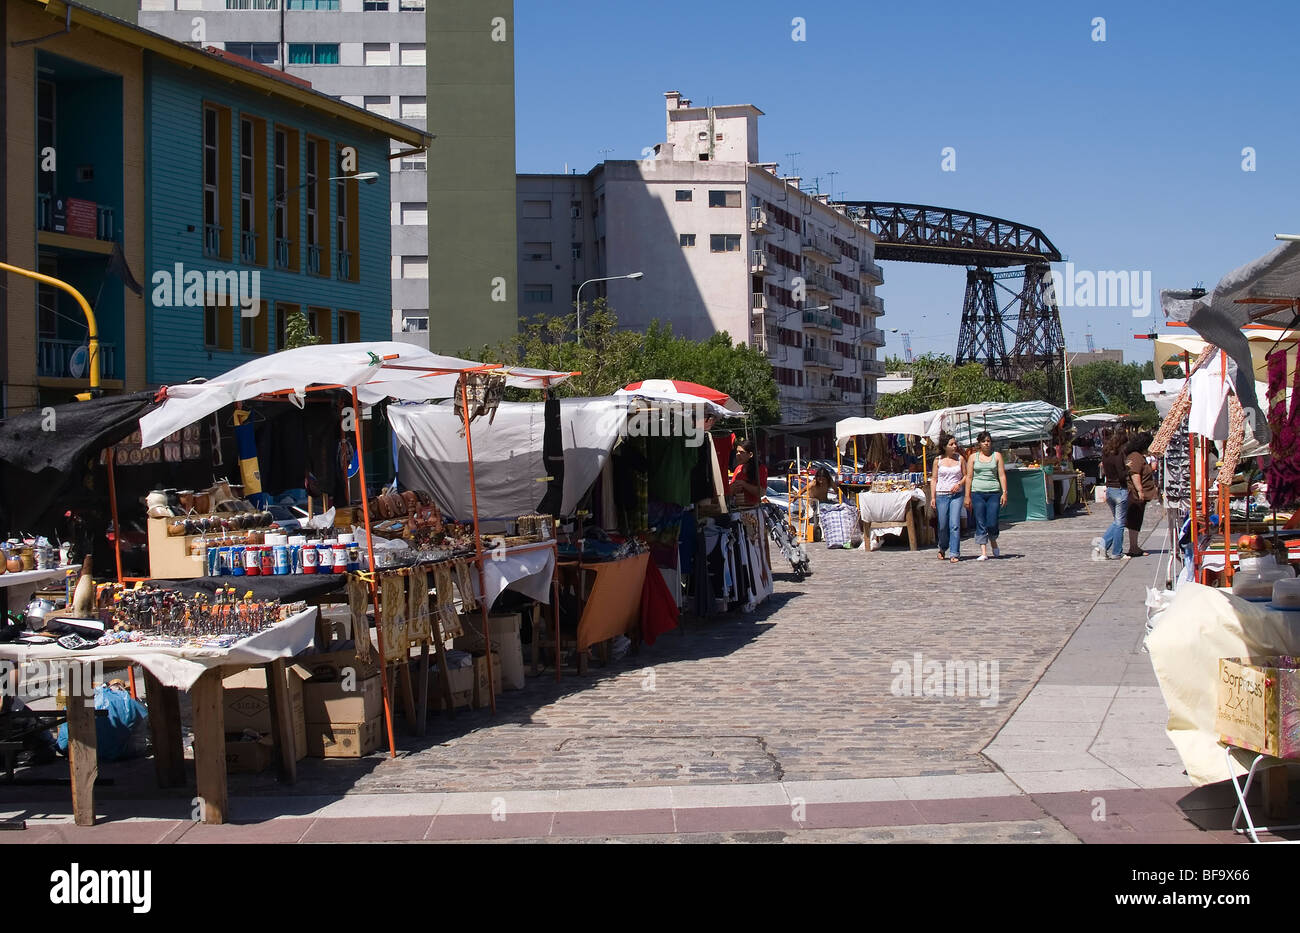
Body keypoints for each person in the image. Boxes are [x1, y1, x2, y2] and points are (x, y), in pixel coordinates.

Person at [964, 431, 1007, 561]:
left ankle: (993, 540)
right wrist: (967, 495)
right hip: (977, 492)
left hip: (993, 492)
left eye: (988, 441)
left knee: (992, 521)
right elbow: (969, 477)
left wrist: (1004, 492)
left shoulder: (997, 456)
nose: (986, 443)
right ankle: (983, 551)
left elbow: (1001, 475)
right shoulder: (972, 457)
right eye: (984, 441)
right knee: (980, 520)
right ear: (979, 444)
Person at [930, 432, 966, 563]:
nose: (954, 446)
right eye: (951, 444)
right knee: (943, 525)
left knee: (955, 524)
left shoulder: (960, 459)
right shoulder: (937, 460)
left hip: (956, 495)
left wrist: (959, 484)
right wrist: (933, 497)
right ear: (945, 446)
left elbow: (966, 475)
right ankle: (942, 547)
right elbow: (934, 479)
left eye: (955, 443)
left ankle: (954, 552)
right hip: (941, 495)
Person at [1124, 432, 1158, 557]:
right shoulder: (1136, 457)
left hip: (1137, 494)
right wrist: (1140, 490)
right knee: (1133, 520)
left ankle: (1134, 546)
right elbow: (1135, 474)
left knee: (1136, 520)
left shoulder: (1138, 456)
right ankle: (1133, 547)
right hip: (1134, 494)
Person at [1097, 432, 1129, 560]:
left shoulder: (1105, 454)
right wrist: (1128, 470)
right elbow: (1121, 474)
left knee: (1117, 521)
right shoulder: (1119, 454)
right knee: (1120, 523)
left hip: (1109, 488)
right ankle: (1117, 552)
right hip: (1119, 489)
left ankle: (1102, 546)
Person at [728, 437, 768, 507]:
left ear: (750, 454)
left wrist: (744, 484)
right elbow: (730, 491)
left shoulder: (760, 469)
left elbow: (762, 492)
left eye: (741, 452)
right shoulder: (738, 468)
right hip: (737, 508)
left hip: (752, 509)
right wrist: (733, 488)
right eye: (737, 452)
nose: (738, 454)